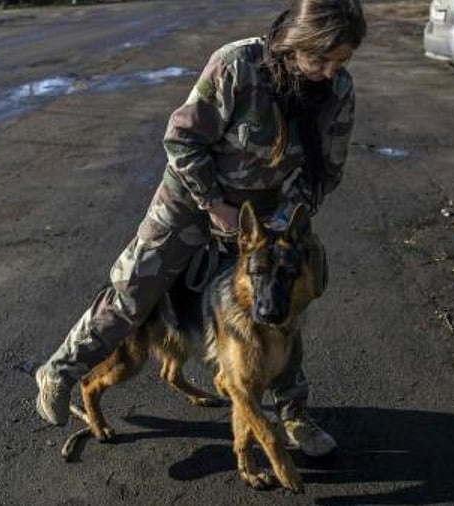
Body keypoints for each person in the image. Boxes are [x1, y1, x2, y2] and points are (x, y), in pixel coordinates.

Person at [36, 0, 366, 458]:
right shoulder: (237, 66)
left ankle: (293, 414)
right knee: (136, 289)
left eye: (341, 62)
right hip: (192, 198)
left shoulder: (338, 91)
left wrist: (283, 221)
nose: (331, 72)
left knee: (283, 303)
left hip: (267, 213)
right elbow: (182, 139)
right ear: (295, 44)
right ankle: (60, 372)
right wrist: (214, 204)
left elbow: (325, 172)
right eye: (322, 59)